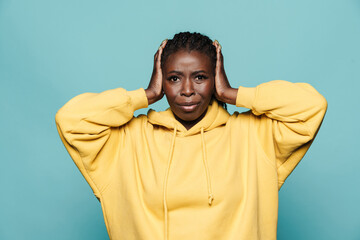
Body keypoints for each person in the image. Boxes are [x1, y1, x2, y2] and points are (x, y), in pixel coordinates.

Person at [55, 32, 327, 240]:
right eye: (173, 78)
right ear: (161, 79)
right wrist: (146, 96)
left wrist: (232, 94)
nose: (187, 90)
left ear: (215, 78)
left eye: (200, 77)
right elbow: (71, 119)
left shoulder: (255, 137)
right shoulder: (128, 141)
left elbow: (311, 106)